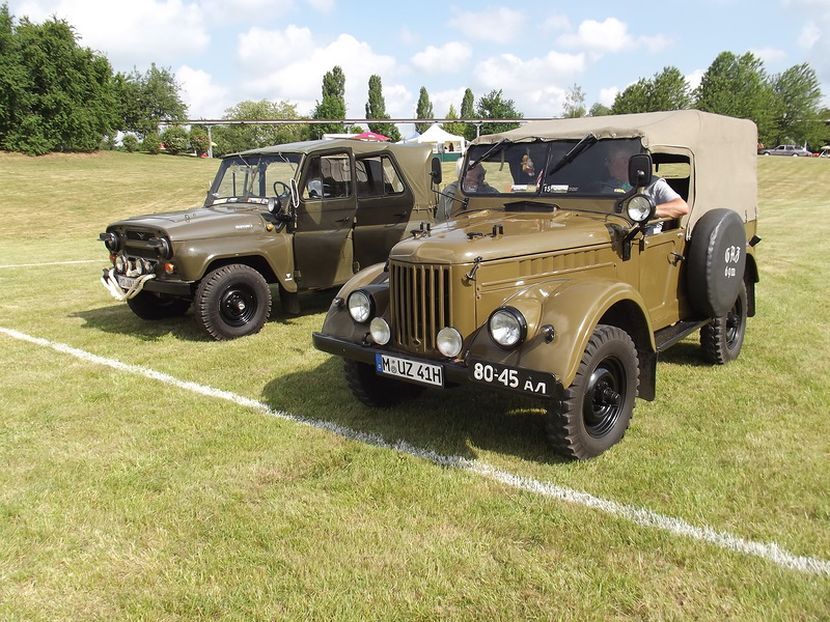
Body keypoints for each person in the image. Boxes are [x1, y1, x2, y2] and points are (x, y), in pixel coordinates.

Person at [605, 146, 689, 220]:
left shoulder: (654, 184)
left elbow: (682, 207)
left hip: (644, 235)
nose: (606, 164)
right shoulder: (608, 185)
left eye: (610, 160)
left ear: (625, 162)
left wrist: (646, 211)